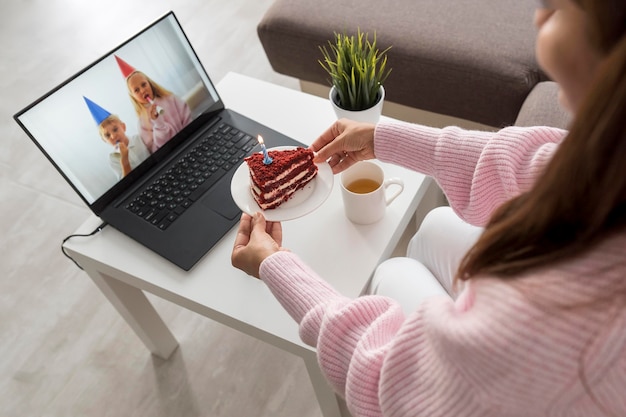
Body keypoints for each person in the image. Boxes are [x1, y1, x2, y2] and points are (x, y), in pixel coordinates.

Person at [232, 1, 626, 416]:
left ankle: (437, 317)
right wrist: (381, 138)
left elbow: (391, 384)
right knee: (436, 223)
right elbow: (537, 163)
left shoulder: (554, 336)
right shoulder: (610, 156)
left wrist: (277, 267)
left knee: (391, 271)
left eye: (558, 3)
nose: (538, 14)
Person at [115, 55, 192, 153]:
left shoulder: (171, 99)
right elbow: (157, 151)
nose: (142, 90)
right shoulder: (142, 123)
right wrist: (159, 124)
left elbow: (188, 119)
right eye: (136, 90)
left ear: (149, 83)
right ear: (133, 96)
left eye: (144, 85)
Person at [83, 96, 150, 179]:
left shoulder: (139, 138)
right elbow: (126, 183)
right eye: (107, 135)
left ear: (123, 127)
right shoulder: (113, 159)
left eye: (115, 129)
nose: (113, 136)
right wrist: (124, 160)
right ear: (104, 141)